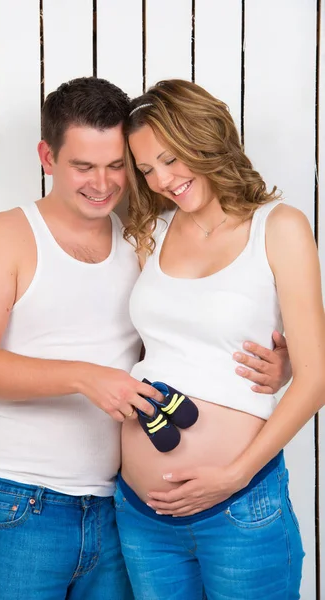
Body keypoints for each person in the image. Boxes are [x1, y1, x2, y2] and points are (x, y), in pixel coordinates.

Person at [0, 77, 290, 600]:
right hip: (22, 500)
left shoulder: (142, 237)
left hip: (119, 507)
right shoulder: (2, 237)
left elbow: (182, 337)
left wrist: (281, 365)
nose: (103, 184)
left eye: (118, 167)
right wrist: (85, 379)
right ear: (47, 155)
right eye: (83, 166)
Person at [114, 79, 325, 600]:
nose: (163, 179)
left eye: (170, 158)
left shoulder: (278, 227)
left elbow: (316, 377)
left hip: (239, 505)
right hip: (142, 516)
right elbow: (158, 345)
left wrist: (233, 475)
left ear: (204, 138)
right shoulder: (150, 234)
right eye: (146, 169)